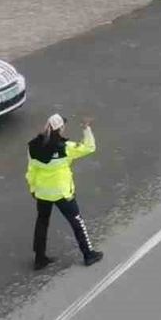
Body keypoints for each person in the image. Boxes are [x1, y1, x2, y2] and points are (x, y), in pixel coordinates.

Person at [27, 113, 104, 270]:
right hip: (62, 193)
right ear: (61, 128)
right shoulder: (66, 148)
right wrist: (86, 129)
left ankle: (39, 258)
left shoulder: (33, 146)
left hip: (42, 192)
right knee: (77, 222)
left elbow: (31, 170)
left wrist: (33, 188)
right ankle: (88, 254)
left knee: (42, 223)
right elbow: (90, 147)